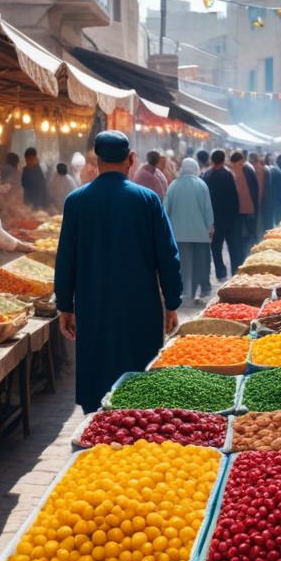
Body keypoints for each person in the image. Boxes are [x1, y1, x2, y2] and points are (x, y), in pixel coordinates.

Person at [55, 131, 183, 413]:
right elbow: (168, 256)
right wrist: (172, 303)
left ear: (97, 161)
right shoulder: (147, 200)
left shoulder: (76, 202)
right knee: (139, 386)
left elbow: (66, 259)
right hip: (140, 308)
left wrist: (65, 305)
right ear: (131, 159)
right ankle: (136, 438)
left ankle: (95, 442)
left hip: (93, 308)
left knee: (97, 381)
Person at [165, 158, 214, 303]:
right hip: (200, 233)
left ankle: (185, 293)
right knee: (200, 263)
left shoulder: (173, 185)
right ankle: (201, 291)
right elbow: (207, 209)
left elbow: (165, 208)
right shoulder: (201, 184)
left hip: (179, 234)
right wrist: (210, 226)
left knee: (183, 265)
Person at [205, 150, 242, 279]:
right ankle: (235, 273)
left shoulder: (206, 175)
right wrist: (235, 214)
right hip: (229, 218)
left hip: (214, 219)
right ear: (223, 159)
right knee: (233, 247)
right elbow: (234, 197)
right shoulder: (227, 175)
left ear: (212, 159)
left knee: (216, 247)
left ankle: (220, 272)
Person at [228, 151, 259, 251]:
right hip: (240, 208)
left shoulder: (247, 169)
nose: (233, 166)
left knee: (250, 234)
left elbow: (254, 189)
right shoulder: (243, 168)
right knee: (245, 234)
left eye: (235, 164)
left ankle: (251, 253)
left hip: (247, 208)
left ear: (239, 161)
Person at [261, 153, 281, 230]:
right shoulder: (276, 170)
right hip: (278, 201)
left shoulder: (263, 170)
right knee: (280, 226)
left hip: (268, 203)